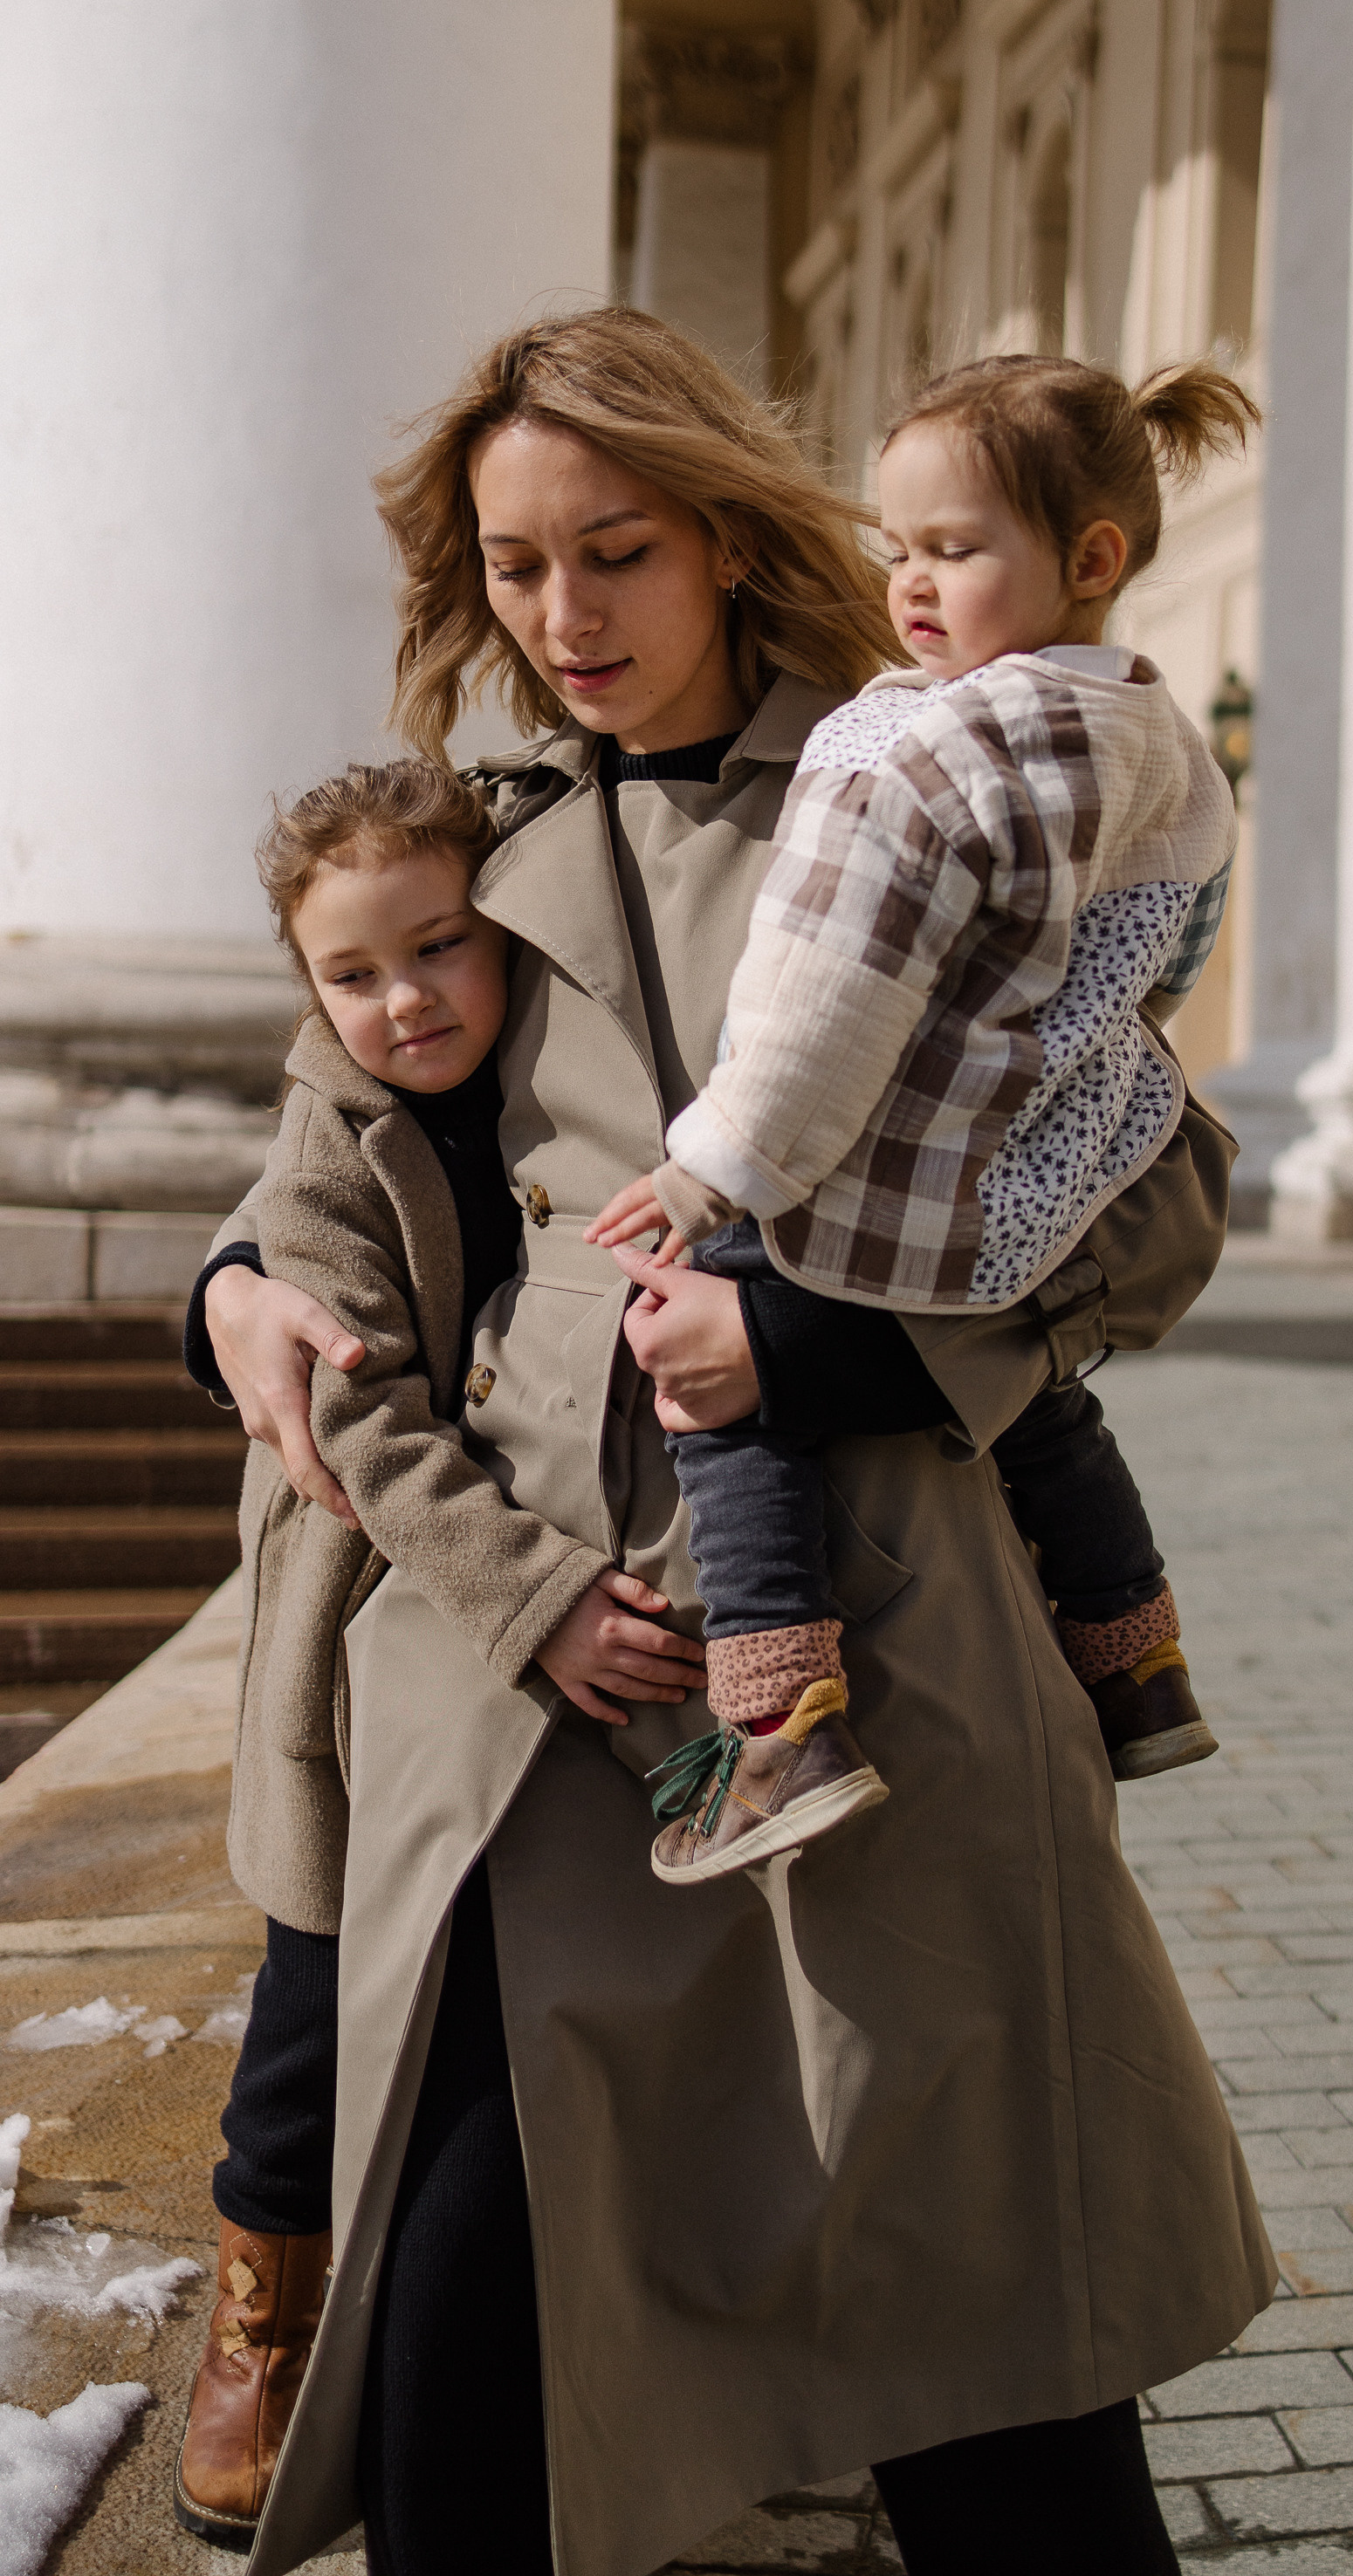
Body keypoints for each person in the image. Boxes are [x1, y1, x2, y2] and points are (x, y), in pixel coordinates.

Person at [192, 309, 1272, 2576]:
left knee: (984, 2329)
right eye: (512, 569)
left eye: (616, 552)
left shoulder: (938, 781)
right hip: (543, 1696)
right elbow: (318, 1188)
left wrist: (851, 1367)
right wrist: (232, 1295)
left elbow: (1162, 1196)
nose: (565, 620)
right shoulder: (466, 866)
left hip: (889, 1649)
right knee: (474, 2314)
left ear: (718, 534)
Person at [590, 353, 1251, 1887]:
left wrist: (711, 1171)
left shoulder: (925, 754)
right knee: (1044, 1413)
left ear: (1091, 558)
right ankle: (1138, 1660)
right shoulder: (1157, 739)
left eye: (952, 550)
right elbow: (1181, 946)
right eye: (897, 549)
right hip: (1033, 1176)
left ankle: (781, 1721)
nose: (910, 588)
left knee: (724, 1397)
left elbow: (828, 1006)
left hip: (877, 1178)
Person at [178, 757, 628, 2543]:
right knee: (309, 1995)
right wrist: (534, 1600)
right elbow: (363, 1436)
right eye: (353, 975)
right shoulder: (325, 1141)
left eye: (442, 948)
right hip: (365, 1627)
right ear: (309, 989)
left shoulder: (564, 1079)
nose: (404, 1002)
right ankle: (261, 2316)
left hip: (529, 1603)